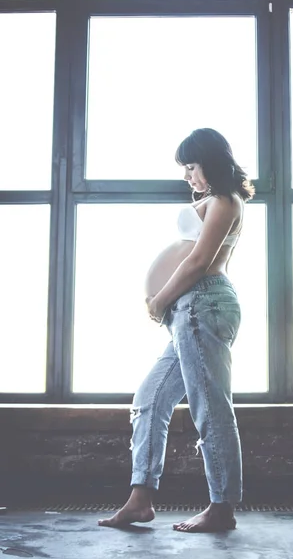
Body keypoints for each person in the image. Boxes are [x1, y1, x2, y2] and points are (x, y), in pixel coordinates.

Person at [98, 127, 255, 533]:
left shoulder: (225, 200)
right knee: (149, 397)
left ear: (210, 162)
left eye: (191, 167)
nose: (187, 176)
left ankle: (222, 508)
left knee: (211, 407)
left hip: (202, 305)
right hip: (190, 311)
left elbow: (200, 260)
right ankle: (140, 499)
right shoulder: (212, 200)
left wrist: (159, 300)